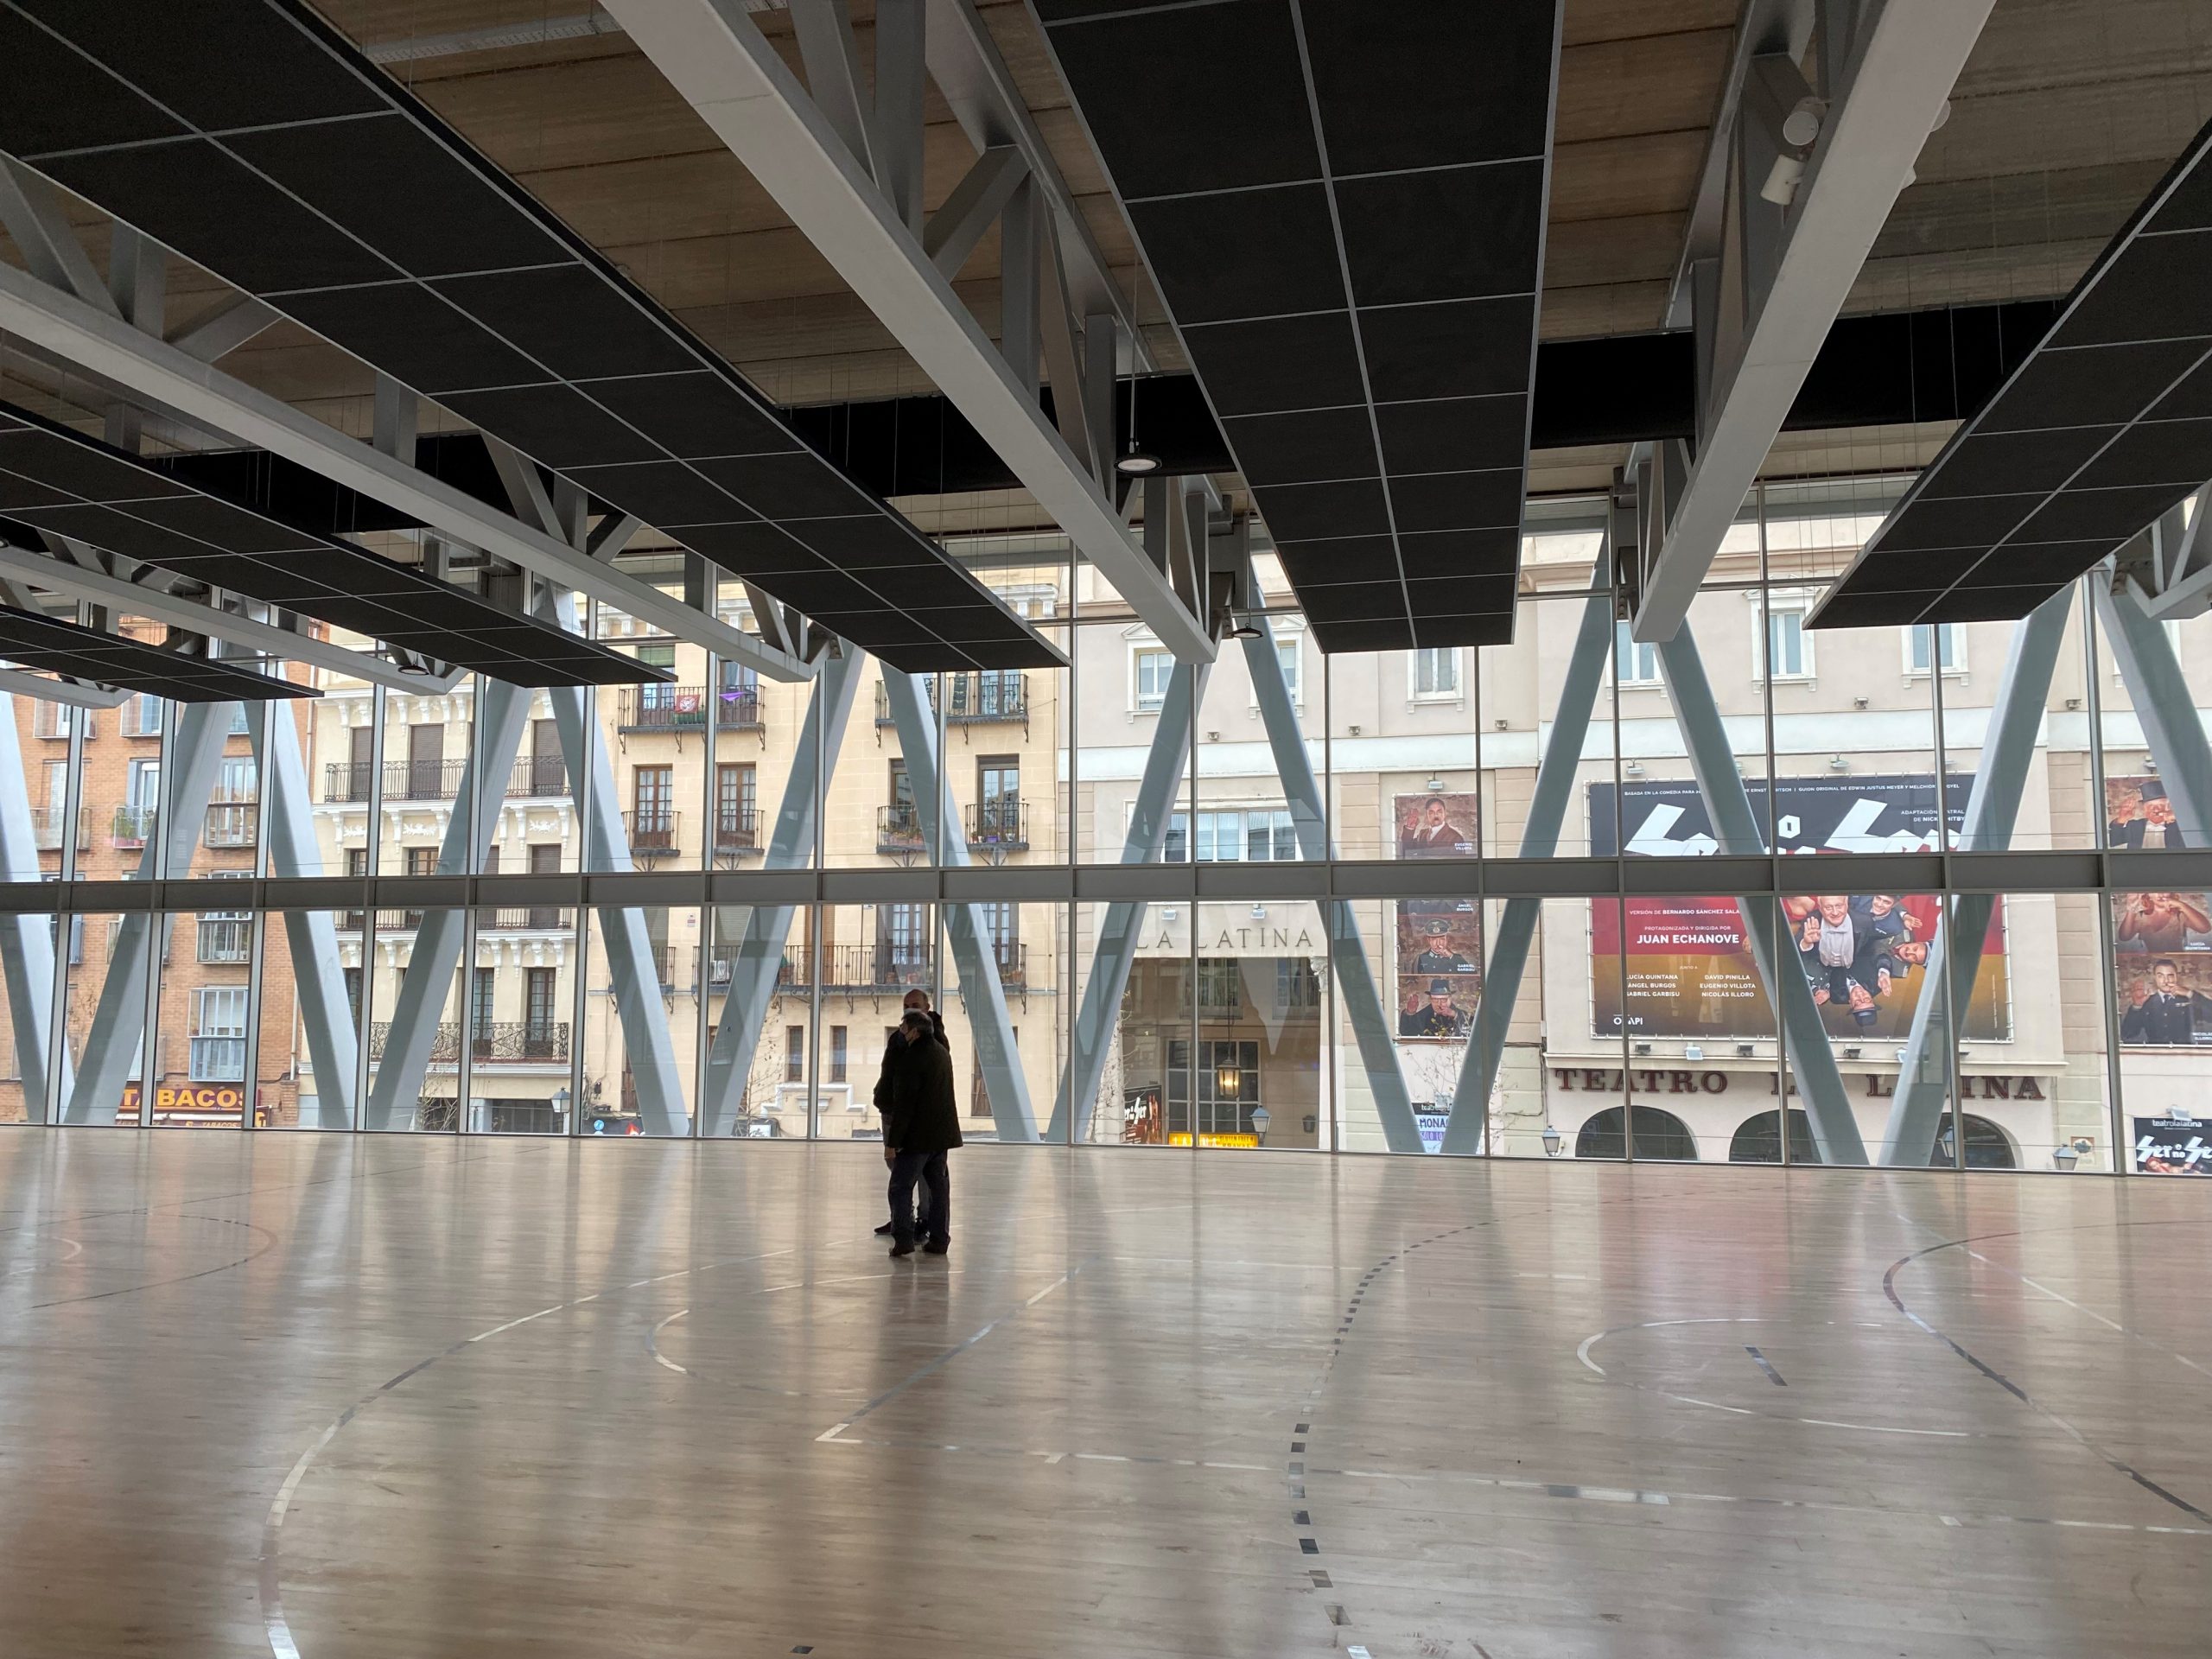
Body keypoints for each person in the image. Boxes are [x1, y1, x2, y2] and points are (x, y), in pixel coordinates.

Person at [882, 1009, 962, 1258]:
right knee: (939, 1190)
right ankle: (940, 1239)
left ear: (914, 1031)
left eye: (903, 1027)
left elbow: (904, 1105)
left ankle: (904, 1238)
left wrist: (892, 1142)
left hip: (917, 1138)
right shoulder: (941, 1052)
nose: (900, 1032)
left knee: (900, 1186)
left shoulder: (911, 1059)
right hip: (941, 1136)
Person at [873, 988, 948, 1236]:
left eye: (914, 1004)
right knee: (895, 1165)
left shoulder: (932, 1037)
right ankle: (901, 1217)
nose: (909, 1008)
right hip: (892, 1109)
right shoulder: (898, 1035)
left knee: (922, 1173)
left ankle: (921, 1222)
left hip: (917, 1116)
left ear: (927, 1006)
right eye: (906, 1005)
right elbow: (890, 1070)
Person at [2121, 959, 2198, 1046]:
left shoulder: (2187, 999)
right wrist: (2137, 1006)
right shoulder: (2147, 1002)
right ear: (2155, 978)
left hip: (2184, 1054)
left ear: (2176, 977)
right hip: (2155, 1055)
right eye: (2160, 976)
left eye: (2170, 976)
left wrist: (2189, 993)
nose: (2166, 981)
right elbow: (2127, 1034)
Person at [2115, 891, 2212, 955]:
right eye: (2155, 891)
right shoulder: (2141, 917)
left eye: (2164, 890)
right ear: (2148, 894)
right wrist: (2131, 908)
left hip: (2179, 961)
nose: (2160, 895)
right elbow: (2124, 937)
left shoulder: (2179, 915)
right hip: (2152, 962)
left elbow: (2205, 928)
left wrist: (2182, 905)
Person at [2110, 780, 2187, 849]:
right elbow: (2114, 841)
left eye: (2160, 805)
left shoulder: (2178, 827)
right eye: (2150, 806)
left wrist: (2178, 817)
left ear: (2168, 807)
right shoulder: (2135, 826)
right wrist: (2122, 819)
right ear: (2144, 809)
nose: (2156, 810)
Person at [1400, 796, 1469, 859]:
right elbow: (1408, 848)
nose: (1436, 815)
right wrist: (1410, 828)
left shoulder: (1455, 838)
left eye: (1439, 812)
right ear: (1427, 815)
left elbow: (1458, 864)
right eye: (1431, 812)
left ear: (1445, 813)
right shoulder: (1422, 834)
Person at [1400, 978, 1465, 1038]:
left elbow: (1469, 1027)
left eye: (1443, 1000)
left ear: (1450, 999)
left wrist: (1455, 1015)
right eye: (1435, 999)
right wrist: (1410, 1012)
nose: (1439, 1003)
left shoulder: (1460, 1014)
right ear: (1430, 999)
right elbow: (1406, 1033)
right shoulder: (1423, 1015)